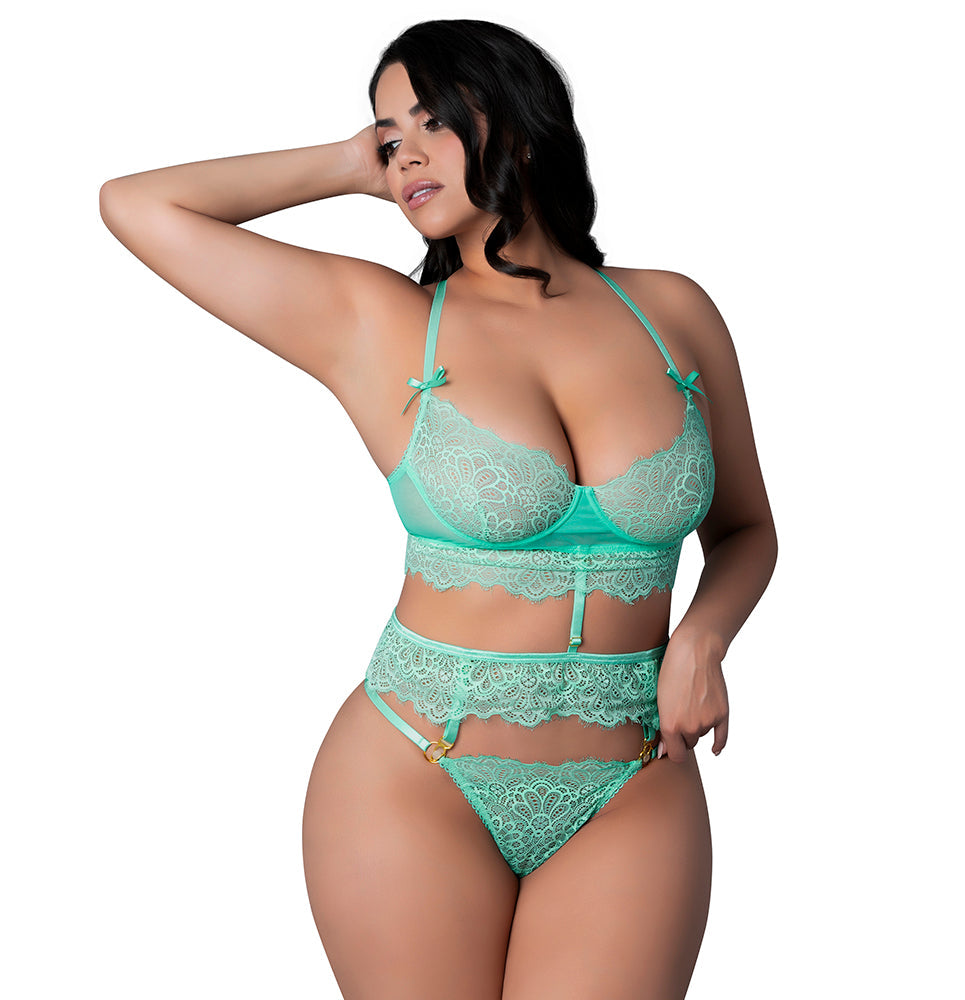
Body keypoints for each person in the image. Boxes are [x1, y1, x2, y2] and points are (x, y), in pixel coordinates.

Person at [99, 18, 777, 999]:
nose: (404, 150)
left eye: (431, 120)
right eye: (388, 133)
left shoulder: (672, 312)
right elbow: (137, 205)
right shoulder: (378, 321)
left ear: (520, 122)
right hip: (416, 773)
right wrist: (352, 162)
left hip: (635, 778)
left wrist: (704, 637)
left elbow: (747, 530)